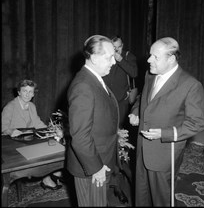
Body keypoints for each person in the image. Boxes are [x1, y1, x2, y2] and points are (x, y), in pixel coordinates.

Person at [129, 37, 204, 206]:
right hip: (142, 147)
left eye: (155, 57)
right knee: (141, 196)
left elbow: (198, 122)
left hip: (165, 153)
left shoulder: (191, 85)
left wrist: (164, 134)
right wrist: (136, 111)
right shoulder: (150, 75)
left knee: (161, 199)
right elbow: (143, 98)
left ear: (171, 59)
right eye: (150, 55)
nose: (149, 60)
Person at [66, 35, 119, 206]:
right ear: (95, 58)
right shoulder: (84, 85)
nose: (114, 62)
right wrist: (96, 168)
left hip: (100, 160)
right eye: (109, 57)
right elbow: (80, 136)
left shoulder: (94, 80)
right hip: (91, 167)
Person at [1, 79, 63, 190]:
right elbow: (3, 127)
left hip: (27, 141)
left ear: (33, 94)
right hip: (12, 144)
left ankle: (48, 176)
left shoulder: (31, 106)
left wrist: (52, 130)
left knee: (49, 148)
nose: (27, 94)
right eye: (25, 91)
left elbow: (37, 123)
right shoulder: (10, 107)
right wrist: (11, 131)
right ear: (19, 92)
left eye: (30, 92)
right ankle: (48, 176)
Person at [103, 35, 138, 129]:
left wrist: (121, 60)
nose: (117, 50)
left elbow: (134, 73)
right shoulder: (105, 56)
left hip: (122, 99)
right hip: (106, 98)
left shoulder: (128, 56)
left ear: (122, 45)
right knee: (107, 127)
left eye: (119, 47)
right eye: (114, 47)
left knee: (120, 128)